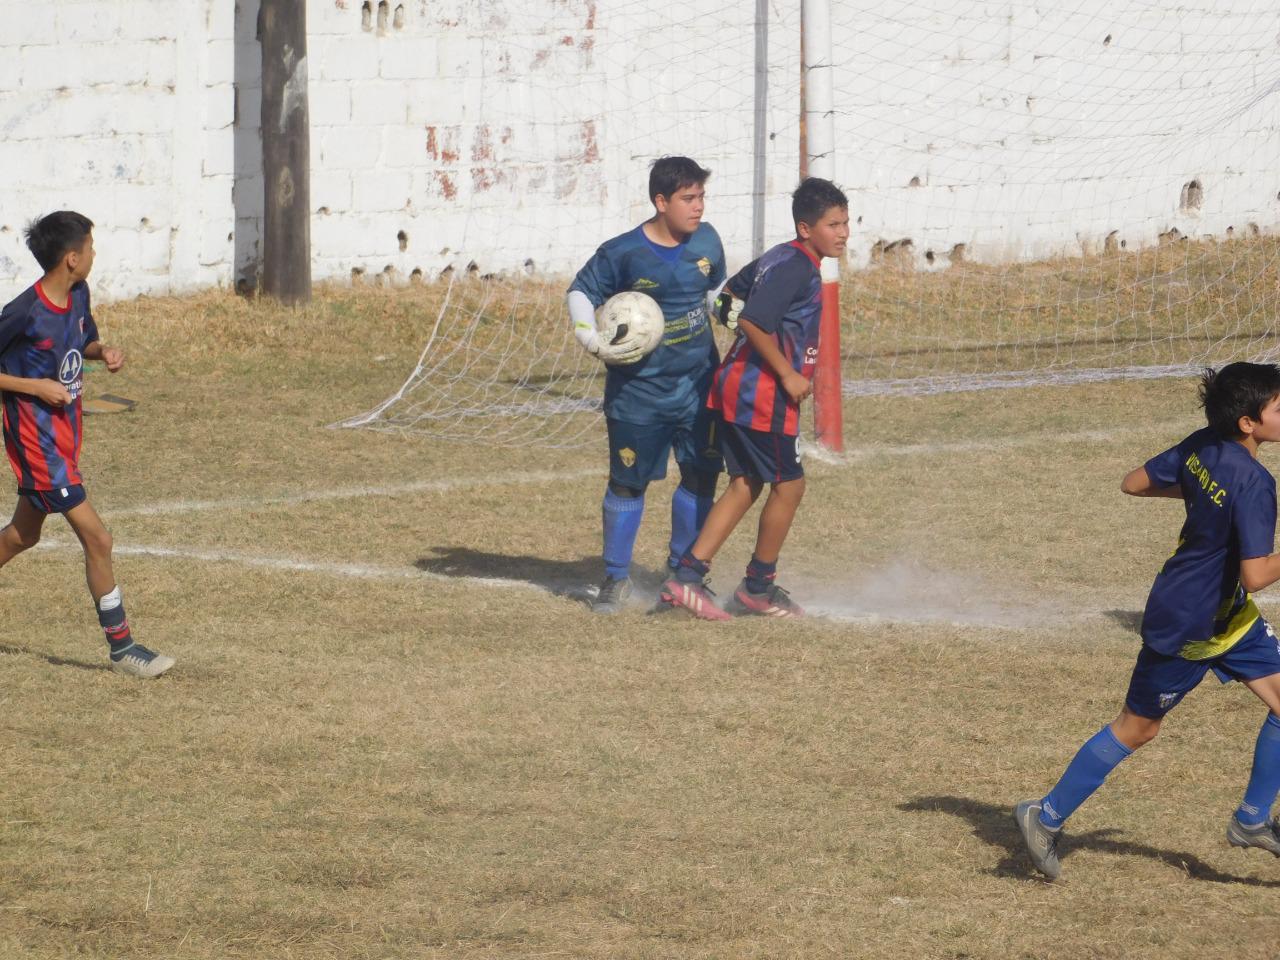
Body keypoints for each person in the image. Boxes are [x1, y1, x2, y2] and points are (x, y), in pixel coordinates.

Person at [1015, 362, 1280, 880]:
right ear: (1248, 422)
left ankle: (1251, 819)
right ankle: (1043, 816)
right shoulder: (1255, 483)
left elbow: (1133, 483)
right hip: (1189, 623)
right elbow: (1254, 575)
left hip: (1225, 616)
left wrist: (1207, 499)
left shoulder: (1204, 442)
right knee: (1137, 728)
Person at [660, 177, 850, 620]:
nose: (842, 233)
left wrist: (738, 318)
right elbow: (753, 323)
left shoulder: (781, 255)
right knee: (790, 484)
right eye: (833, 225)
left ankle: (687, 577)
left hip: (737, 387)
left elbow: (729, 296)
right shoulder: (797, 267)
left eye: (845, 223)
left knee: (746, 483)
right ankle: (756, 588)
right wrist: (786, 372)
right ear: (806, 228)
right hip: (761, 393)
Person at [0, 211, 174, 678]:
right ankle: (123, 649)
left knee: (24, 535)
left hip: (65, 437)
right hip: (38, 444)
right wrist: (34, 388)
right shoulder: (23, 312)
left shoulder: (78, 294)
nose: (95, 254)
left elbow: (85, 340)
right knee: (98, 537)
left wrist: (103, 352)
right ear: (72, 258)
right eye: (91, 247)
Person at [567, 156, 727, 614]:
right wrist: (588, 336)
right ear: (661, 201)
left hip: (699, 386)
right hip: (639, 395)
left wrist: (729, 312)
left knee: (701, 474)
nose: (698, 207)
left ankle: (683, 574)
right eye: (688, 198)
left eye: (701, 197)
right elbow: (581, 291)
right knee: (628, 483)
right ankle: (615, 579)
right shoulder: (623, 253)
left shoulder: (708, 240)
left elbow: (712, 294)